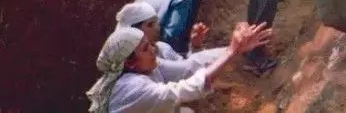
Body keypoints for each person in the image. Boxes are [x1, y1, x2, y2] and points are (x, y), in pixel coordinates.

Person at [86, 23, 272, 113]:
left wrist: (231, 50)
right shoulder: (130, 88)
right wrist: (232, 51)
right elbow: (182, 90)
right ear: (129, 62)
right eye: (145, 49)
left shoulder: (148, 65)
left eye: (149, 44)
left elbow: (187, 67)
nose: (152, 50)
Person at [115, 2, 228, 83]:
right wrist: (232, 50)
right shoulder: (134, 65)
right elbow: (187, 69)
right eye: (150, 25)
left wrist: (195, 45)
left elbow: (186, 68)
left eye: (156, 23)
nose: (157, 29)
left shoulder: (163, 48)